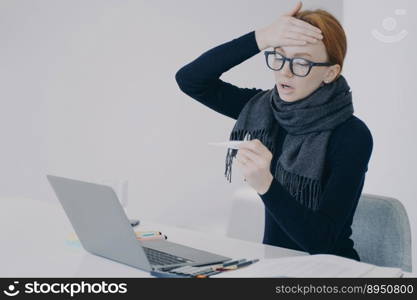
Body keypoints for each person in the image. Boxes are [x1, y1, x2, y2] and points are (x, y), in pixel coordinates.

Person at [175, 1, 373, 261]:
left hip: (332, 272)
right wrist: (263, 37)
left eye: (302, 63)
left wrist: (266, 184)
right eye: (279, 57)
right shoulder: (266, 111)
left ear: (330, 73)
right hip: (274, 265)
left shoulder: (352, 135)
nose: (285, 72)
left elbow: (322, 242)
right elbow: (190, 79)